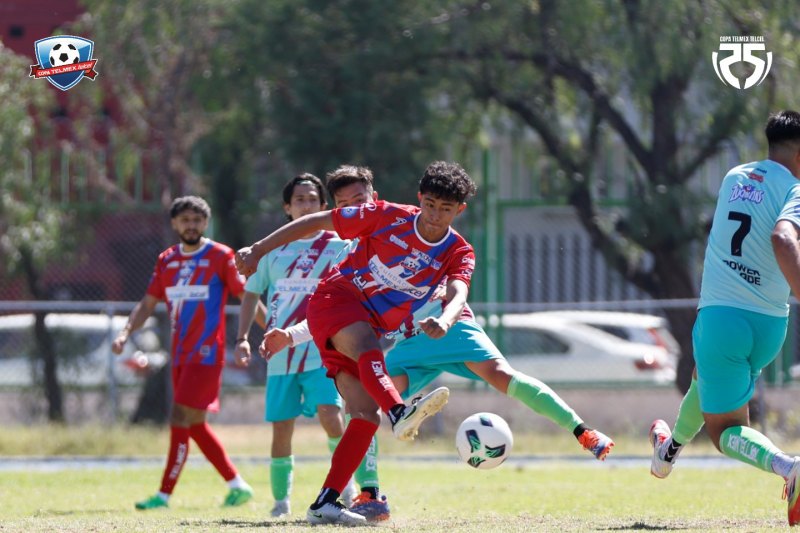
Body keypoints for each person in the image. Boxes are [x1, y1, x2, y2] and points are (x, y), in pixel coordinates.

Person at [264, 198, 615, 468]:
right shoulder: (362, 249)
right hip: (408, 341)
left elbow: (458, 290)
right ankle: (364, 493)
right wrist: (292, 336)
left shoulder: (423, 235)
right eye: (344, 203)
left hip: (450, 328)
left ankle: (583, 431)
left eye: (358, 200)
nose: (351, 208)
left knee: (501, 375)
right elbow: (340, 313)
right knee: (365, 407)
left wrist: (446, 320)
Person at [236, 162, 477, 526]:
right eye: (430, 204)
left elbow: (459, 291)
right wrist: (258, 249)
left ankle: (325, 502)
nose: (434, 215)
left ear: (459, 210)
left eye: (446, 209)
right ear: (419, 199)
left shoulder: (458, 251)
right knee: (368, 347)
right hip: (334, 300)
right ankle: (400, 412)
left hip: (354, 329)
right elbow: (317, 221)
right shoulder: (387, 216)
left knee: (364, 416)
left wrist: (446, 320)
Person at [648, 110, 800, 527]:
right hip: (770, 324)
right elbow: (784, 236)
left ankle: (788, 466)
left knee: (725, 433)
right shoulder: (795, 189)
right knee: (705, 378)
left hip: (721, 319)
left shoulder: (734, 177)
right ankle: (667, 452)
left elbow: (780, 237)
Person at [112, 195, 263, 511]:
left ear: (205, 223)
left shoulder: (220, 256)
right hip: (180, 354)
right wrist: (126, 332)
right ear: (174, 224)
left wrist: (275, 329)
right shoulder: (166, 259)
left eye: (197, 220)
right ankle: (237, 485)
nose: (191, 225)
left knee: (179, 417)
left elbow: (246, 296)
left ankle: (164, 495)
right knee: (194, 424)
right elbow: (148, 304)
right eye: (185, 220)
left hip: (206, 353)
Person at [233, 174, 359, 518]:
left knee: (331, 415)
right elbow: (251, 294)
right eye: (299, 200)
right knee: (282, 427)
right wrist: (243, 338)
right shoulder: (271, 249)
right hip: (281, 356)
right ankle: (281, 502)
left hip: (324, 351)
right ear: (287, 207)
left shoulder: (339, 245)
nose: (306, 205)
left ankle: (346, 488)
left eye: (312, 199)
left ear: (323, 206)